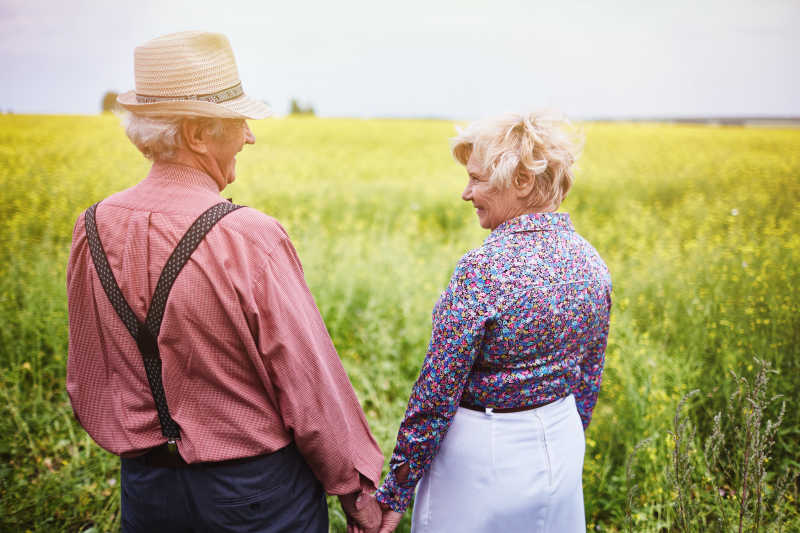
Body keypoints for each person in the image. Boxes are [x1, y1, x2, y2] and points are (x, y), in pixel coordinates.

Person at [66, 31, 384, 533]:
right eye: (237, 123)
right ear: (196, 133)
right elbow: (309, 385)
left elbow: (89, 371)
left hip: (146, 492)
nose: (250, 137)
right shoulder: (248, 237)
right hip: (257, 497)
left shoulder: (92, 228)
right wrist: (355, 488)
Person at [375, 112, 612, 532]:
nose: (466, 193)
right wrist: (562, 443)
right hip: (561, 446)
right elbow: (587, 381)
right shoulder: (592, 262)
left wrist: (396, 491)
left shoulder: (482, 269)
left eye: (477, 179)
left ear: (521, 181)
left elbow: (436, 394)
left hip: (483, 464)